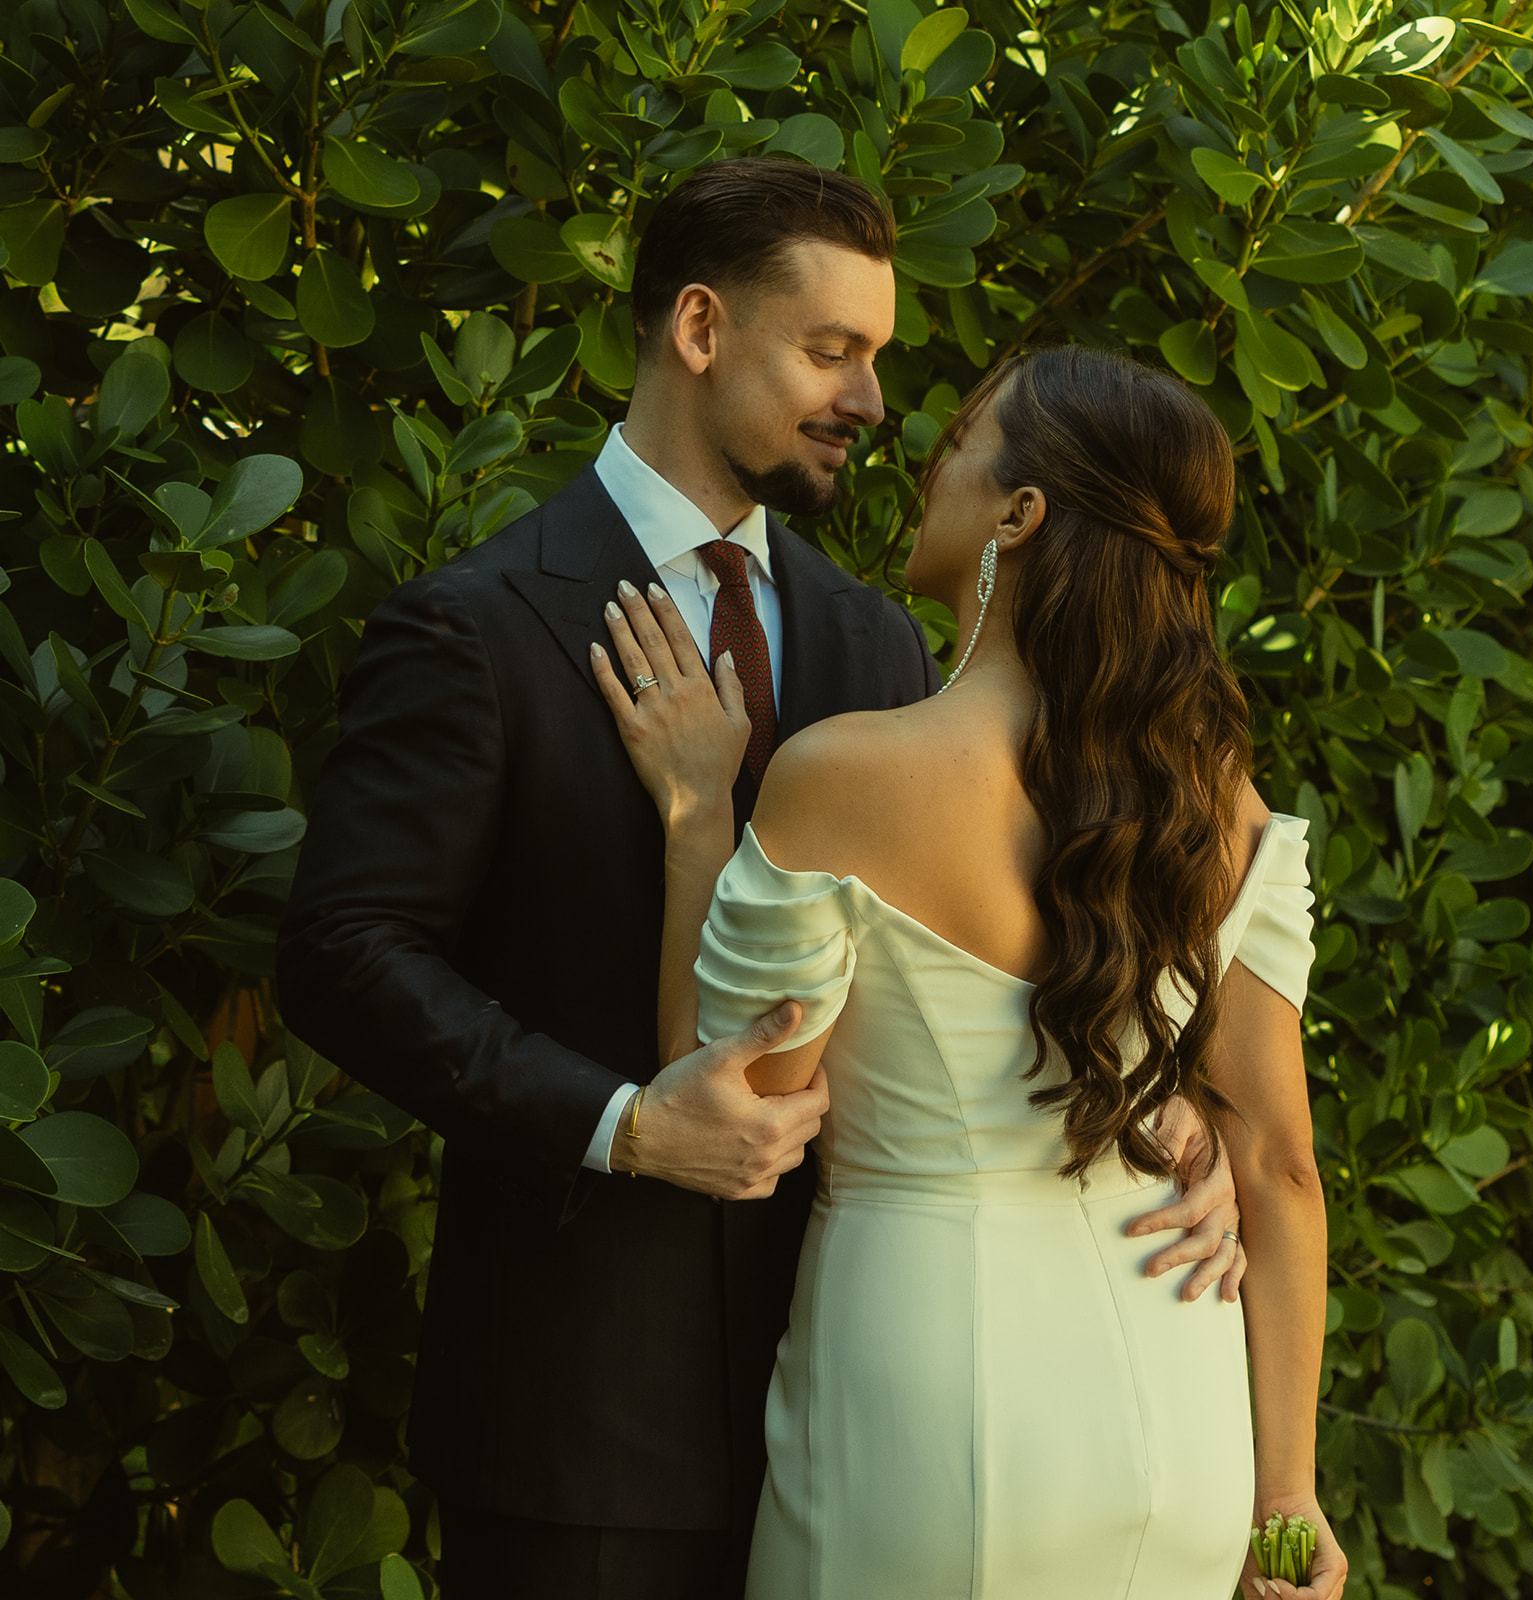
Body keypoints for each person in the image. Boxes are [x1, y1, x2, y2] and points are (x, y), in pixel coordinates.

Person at [277, 160, 1244, 1600]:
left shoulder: (882, 646)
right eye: (831, 350)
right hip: (589, 1420)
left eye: (881, 360)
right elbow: (345, 954)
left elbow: (978, 979)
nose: (869, 400)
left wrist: (1166, 1117)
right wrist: (621, 1125)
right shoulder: (475, 626)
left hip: (869, 1397)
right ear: (699, 328)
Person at [590, 342, 1348, 1598]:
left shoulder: (845, 775)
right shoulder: (1220, 808)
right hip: (1183, 1414)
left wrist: (694, 820)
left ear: (1021, 512)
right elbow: (1279, 1164)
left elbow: (734, 1096)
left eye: (960, 446)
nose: (927, 462)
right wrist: (1284, 1503)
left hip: (928, 1400)